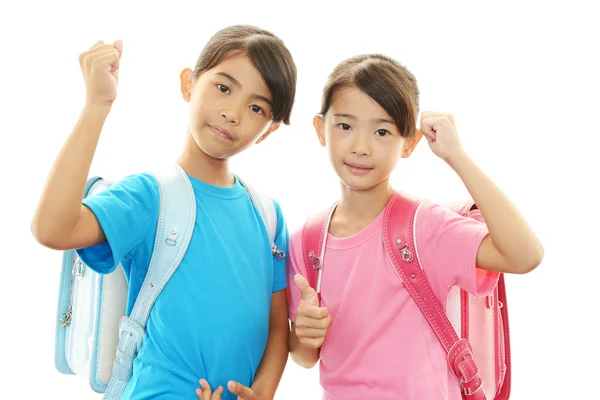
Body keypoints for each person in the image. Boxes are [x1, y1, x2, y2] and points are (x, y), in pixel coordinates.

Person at [31, 25, 297, 400]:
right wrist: (96, 105)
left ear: (267, 130)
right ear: (189, 84)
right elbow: (53, 229)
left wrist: (263, 393)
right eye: (223, 87)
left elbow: (276, 328)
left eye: (256, 107)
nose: (232, 113)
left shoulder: (268, 214)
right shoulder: (150, 195)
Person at [287, 53, 544, 400]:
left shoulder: (424, 227)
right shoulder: (308, 240)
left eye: (381, 131)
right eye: (345, 126)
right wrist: (305, 333)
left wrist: (457, 156)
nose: (360, 147)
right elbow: (304, 357)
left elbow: (525, 255)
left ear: (408, 143)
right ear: (321, 129)